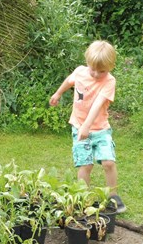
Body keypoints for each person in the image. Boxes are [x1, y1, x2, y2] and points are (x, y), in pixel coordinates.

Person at [49, 40, 126, 213]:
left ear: (111, 67)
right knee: (85, 165)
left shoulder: (109, 81)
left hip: (101, 129)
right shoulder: (80, 72)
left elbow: (97, 105)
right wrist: (58, 93)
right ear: (87, 62)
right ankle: (82, 198)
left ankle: (112, 196)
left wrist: (87, 126)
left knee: (108, 162)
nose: (97, 74)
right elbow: (69, 81)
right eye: (93, 69)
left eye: (102, 71)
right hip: (78, 127)